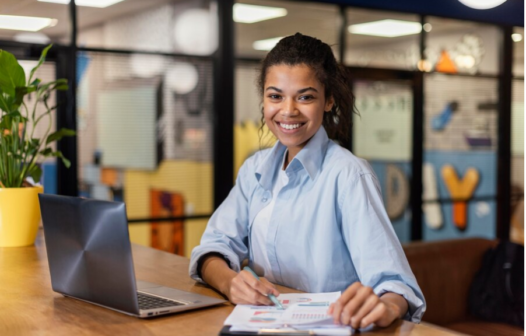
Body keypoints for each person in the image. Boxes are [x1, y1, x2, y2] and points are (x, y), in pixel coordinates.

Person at [189, 33, 426, 329]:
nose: (288, 110)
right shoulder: (254, 170)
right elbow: (212, 248)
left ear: (328, 101)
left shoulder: (349, 175)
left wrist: (385, 305)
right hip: (263, 326)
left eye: (305, 96)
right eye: (275, 96)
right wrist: (230, 283)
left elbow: (395, 286)